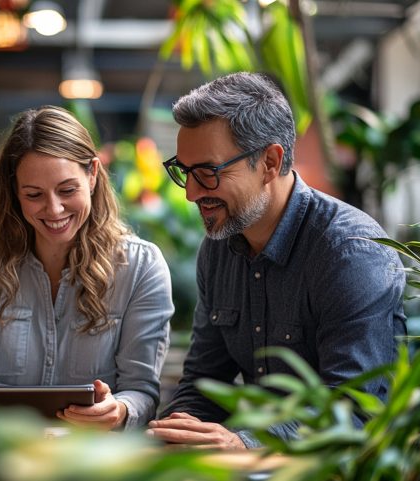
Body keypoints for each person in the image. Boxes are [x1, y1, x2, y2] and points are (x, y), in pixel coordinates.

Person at [147, 72, 406, 448]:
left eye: (207, 172)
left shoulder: (350, 252)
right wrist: (173, 434)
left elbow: (355, 411)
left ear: (270, 161)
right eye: (185, 172)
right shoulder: (219, 247)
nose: (190, 193)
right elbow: (204, 385)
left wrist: (242, 444)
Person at [0, 106, 174, 430]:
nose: (54, 208)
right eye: (33, 194)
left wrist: (120, 410)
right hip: (2, 451)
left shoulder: (141, 267)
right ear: (14, 191)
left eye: (67, 190)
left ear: (93, 174)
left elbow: (140, 391)